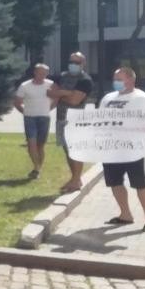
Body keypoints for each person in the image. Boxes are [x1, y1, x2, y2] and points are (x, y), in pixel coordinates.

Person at [99, 67, 145, 232]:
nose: (116, 82)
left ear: (131, 80)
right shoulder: (107, 99)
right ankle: (125, 215)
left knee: (140, 183)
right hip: (111, 150)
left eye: (119, 79)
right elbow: (99, 121)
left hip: (133, 151)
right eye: (114, 79)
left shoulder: (143, 99)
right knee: (115, 182)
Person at [47, 52, 94, 193]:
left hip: (76, 120)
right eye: (71, 61)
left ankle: (76, 179)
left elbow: (75, 101)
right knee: (67, 151)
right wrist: (68, 93)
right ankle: (75, 178)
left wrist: (61, 94)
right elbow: (50, 92)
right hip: (61, 118)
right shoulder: (62, 76)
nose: (73, 64)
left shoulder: (85, 80)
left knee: (76, 151)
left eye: (77, 62)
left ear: (83, 63)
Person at [14, 63, 55, 179]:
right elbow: (17, 102)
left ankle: (38, 168)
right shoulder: (25, 86)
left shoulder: (51, 85)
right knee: (31, 143)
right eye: (40, 73)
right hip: (30, 118)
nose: (42, 75)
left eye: (45, 73)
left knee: (40, 145)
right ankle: (36, 168)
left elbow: (56, 98)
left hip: (44, 118)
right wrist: (25, 112)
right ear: (35, 72)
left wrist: (49, 108)